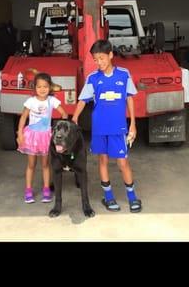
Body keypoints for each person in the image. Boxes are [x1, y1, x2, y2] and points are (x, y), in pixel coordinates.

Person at [72, 39, 142, 213]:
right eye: (95, 59)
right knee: (102, 160)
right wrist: (74, 118)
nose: (99, 62)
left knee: (122, 163)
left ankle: (132, 197)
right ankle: (109, 197)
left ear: (110, 55)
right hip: (99, 128)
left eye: (102, 58)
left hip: (118, 128)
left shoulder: (124, 74)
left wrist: (132, 124)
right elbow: (82, 100)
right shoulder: (93, 78)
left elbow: (130, 99)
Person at [17, 72, 68, 204]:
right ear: (35, 88)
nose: (42, 89)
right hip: (31, 136)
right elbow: (23, 117)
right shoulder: (30, 101)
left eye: (45, 86)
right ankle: (28, 190)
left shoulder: (52, 101)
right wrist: (20, 134)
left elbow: (64, 114)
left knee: (45, 165)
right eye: (39, 87)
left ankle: (46, 189)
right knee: (31, 164)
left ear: (50, 87)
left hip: (46, 136)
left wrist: (60, 130)